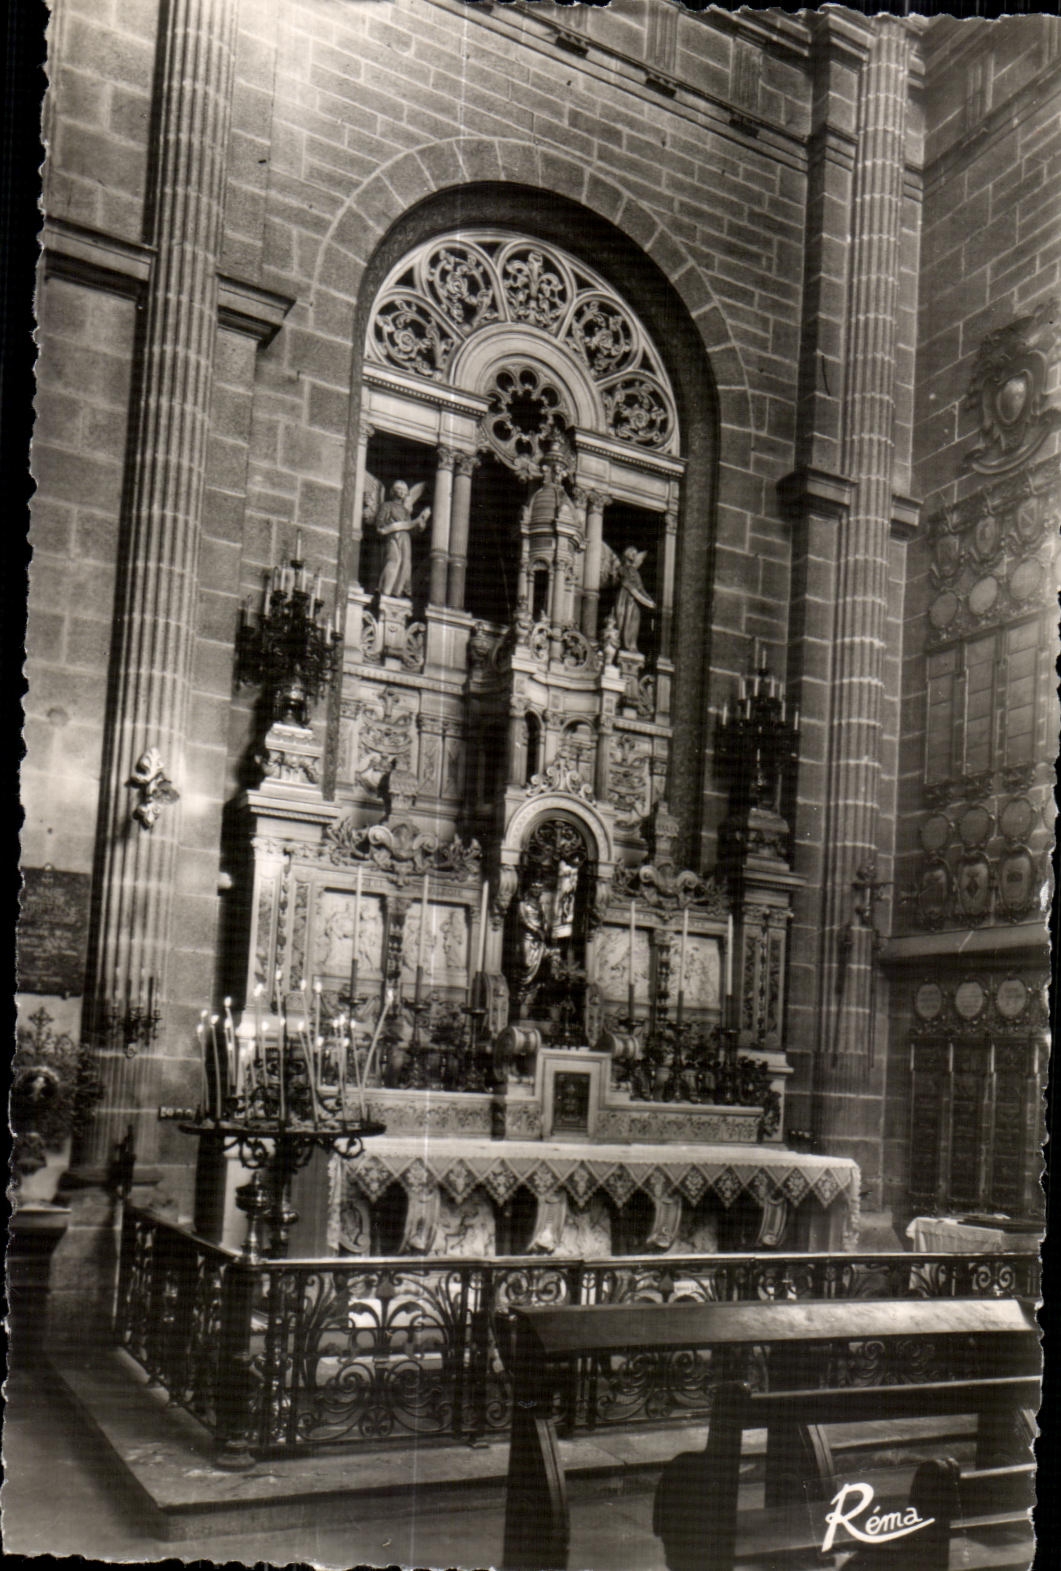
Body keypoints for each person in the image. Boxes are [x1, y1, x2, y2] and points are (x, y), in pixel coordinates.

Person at [375, 479, 430, 597]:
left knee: (405, 563)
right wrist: (394, 527)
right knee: (393, 559)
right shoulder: (387, 505)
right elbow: (380, 525)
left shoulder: (406, 511)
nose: (401, 492)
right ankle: (385, 590)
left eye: (404, 490)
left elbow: (411, 530)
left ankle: (397, 591)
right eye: (399, 489)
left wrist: (420, 525)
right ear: (393, 491)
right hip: (393, 536)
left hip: (405, 538)